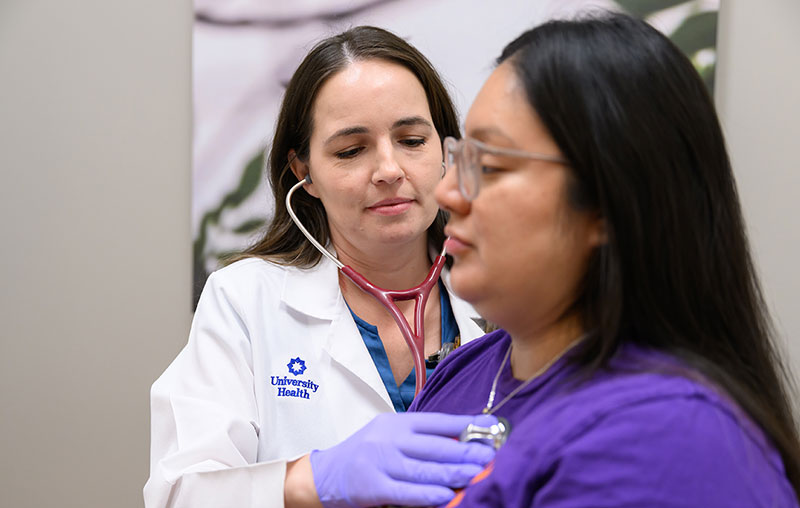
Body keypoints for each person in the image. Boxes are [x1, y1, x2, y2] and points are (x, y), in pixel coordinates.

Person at [411, 13, 800, 507]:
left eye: (488, 165)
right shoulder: (468, 370)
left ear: (607, 200)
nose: (446, 192)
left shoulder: (671, 442)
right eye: (460, 159)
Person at [144, 26, 494, 508]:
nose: (389, 170)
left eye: (412, 139)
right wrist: (317, 478)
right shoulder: (246, 300)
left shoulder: (501, 300)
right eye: (351, 150)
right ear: (304, 172)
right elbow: (180, 492)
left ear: (444, 150)